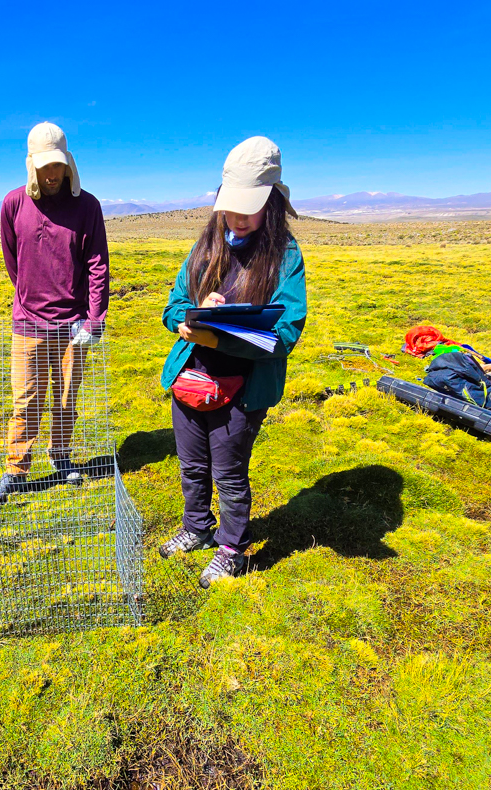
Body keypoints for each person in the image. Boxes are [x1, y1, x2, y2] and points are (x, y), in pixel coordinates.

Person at [158, 136, 307, 587]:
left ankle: (231, 547)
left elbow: (285, 333)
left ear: (272, 205)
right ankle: (196, 528)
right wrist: (189, 318)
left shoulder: (285, 256)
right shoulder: (205, 246)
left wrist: (225, 336)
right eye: (231, 207)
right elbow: (173, 306)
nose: (237, 218)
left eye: (249, 208)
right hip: (192, 379)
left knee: (229, 472)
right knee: (192, 464)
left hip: (243, 390)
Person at [0, 122, 110, 504]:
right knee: (26, 400)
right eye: (44, 167)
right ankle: (15, 471)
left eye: (57, 166)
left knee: (65, 398)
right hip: (28, 323)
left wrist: (93, 318)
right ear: (31, 166)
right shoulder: (13, 204)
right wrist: (29, 295)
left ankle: (60, 456)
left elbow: (97, 263)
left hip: (73, 325)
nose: (52, 174)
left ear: (68, 163)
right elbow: (13, 261)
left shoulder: (87, 206)